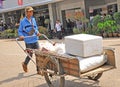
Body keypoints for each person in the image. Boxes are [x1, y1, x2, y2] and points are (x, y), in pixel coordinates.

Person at [18, 6, 41, 73]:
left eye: (32, 11)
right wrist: (21, 36)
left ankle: (38, 70)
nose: (31, 13)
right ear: (26, 12)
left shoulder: (33, 19)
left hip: (35, 39)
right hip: (28, 41)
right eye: (30, 11)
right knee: (30, 55)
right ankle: (25, 64)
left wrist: (37, 32)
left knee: (38, 55)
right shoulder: (23, 21)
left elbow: (35, 28)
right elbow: (20, 30)